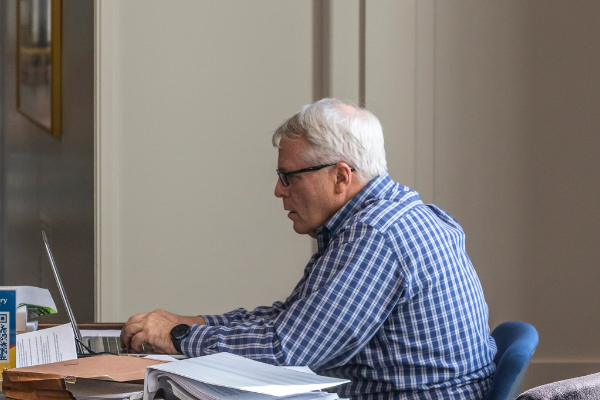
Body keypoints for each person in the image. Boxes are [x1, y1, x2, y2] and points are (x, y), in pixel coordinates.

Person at [120, 99, 497, 399]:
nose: (279, 190)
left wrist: (179, 336)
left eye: (288, 177)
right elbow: (295, 319)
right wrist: (199, 323)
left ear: (340, 176)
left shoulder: (376, 234)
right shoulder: (395, 216)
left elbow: (287, 350)